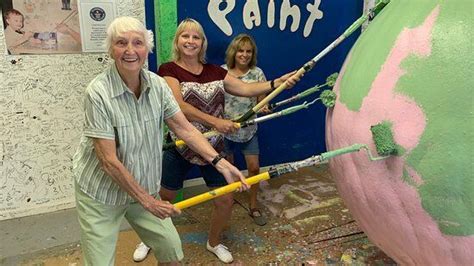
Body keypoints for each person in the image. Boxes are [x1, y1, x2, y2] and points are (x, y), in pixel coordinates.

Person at [73, 16, 249, 266]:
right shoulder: (98, 92)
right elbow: (108, 161)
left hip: (142, 185)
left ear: (148, 49)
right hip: (102, 192)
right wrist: (148, 201)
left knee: (172, 252)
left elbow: (184, 129)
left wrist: (220, 163)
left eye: (138, 43)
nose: (130, 50)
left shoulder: (157, 86)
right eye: (121, 43)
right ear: (111, 49)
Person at [133, 18, 299, 264]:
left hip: (214, 149)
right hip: (181, 146)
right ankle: (149, 237)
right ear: (177, 41)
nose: (191, 41)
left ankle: (213, 242)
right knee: (164, 197)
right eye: (185, 36)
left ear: (202, 43)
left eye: (196, 37)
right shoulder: (168, 70)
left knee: (225, 199)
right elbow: (179, 106)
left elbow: (246, 88)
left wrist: (278, 82)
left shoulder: (215, 72)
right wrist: (215, 122)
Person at [222, 33, 270, 226]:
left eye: (248, 51)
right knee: (229, 169)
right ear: (234, 52)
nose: (244, 54)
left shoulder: (257, 73)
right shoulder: (222, 72)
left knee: (254, 168)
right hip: (225, 129)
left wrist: (265, 106)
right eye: (241, 50)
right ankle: (230, 198)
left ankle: (253, 204)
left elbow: (262, 100)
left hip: (249, 129)